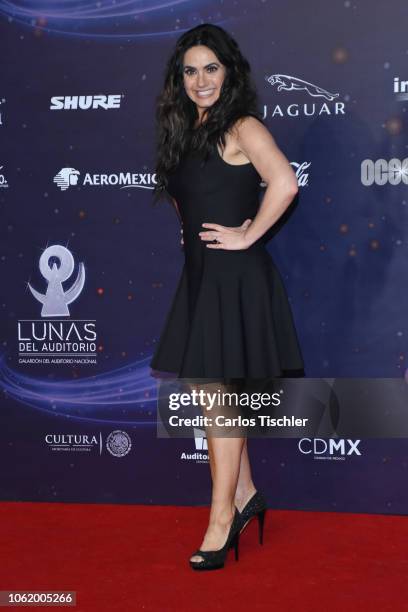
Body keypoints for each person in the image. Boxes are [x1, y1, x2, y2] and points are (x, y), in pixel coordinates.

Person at [150, 23, 304, 570]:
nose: (200, 80)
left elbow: (284, 183)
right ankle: (246, 496)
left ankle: (220, 523)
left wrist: (246, 234)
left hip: (235, 278)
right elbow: (183, 199)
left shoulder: (241, 126)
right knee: (211, 392)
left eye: (210, 68)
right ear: (180, 78)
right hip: (201, 276)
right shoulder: (184, 133)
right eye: (190, 70)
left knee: (220, 404)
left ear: (228, 71)